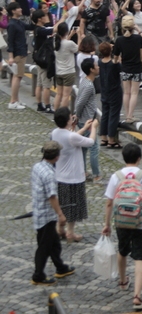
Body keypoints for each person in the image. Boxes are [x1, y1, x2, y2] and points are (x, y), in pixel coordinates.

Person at [102, 143, 142, 312]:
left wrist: (107, 224)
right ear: (139, 159)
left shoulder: (116, 176)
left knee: (122, 251)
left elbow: (109, 203)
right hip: (141, 222)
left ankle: (123, 281)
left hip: (121, 221)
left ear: (123, 158)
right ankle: (137, 296)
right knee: (139, 258)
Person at [30, 140, 77, 285]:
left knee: (54, 243)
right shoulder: (50, 174)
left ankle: (60, 267)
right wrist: (61, 215)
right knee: (44, 247)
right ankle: (38, 275)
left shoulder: (37, 166)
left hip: (39, 212)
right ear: (57, 156)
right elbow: (52, 196)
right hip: (46, 216)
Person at [50, 107, 97, 243]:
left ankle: (60, 228)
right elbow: (90, 142)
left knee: (63, 204)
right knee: (73, 206)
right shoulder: (71, 136)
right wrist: (93, 128)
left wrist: (82, 129)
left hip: (60, 176)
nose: (73, 118)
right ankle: (70, 232)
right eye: (71, 117)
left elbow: (73, 138)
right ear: (67, 121)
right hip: (74, 177)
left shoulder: (55, 133)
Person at [114, 15, 142, 124]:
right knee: (134, 93)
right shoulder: (137, 38)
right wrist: (139, 30)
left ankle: (127, 115)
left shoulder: (119, 40)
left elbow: (115, 55)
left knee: (126, 93)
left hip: (125, 68)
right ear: (133, 27)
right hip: (137, 68)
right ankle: (130, 116)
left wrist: (115, 62)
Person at [75, 58, 101, 181]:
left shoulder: (84, 81)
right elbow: (80, 103)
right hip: (87, 121)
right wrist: (77, 115)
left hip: (84, 119)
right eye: (96, 66)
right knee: (94, 147)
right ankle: (96, 174)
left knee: (84, 148)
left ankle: (84, 172)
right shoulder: (89, 86)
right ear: (91, 69)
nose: (98, 67)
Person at [98, 42, 123, 148]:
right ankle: (111, 140)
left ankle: (103, 137)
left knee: (105, 115)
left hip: (104, 92)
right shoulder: (114, 64)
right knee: (114, 115)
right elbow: (121, 67)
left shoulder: (100, 62)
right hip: (115, 92)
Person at [6, 1, 28, 109]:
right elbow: (10, 41)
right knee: (17, 77)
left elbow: (28, 26)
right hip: (18, 53)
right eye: (18, 8)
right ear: (13, 11)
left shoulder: (18, 22)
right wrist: (10, 56)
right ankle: (13, 101)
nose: (20, 9)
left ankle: (16, 100)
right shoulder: (12, 24)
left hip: (22, 51)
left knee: (18, 77)